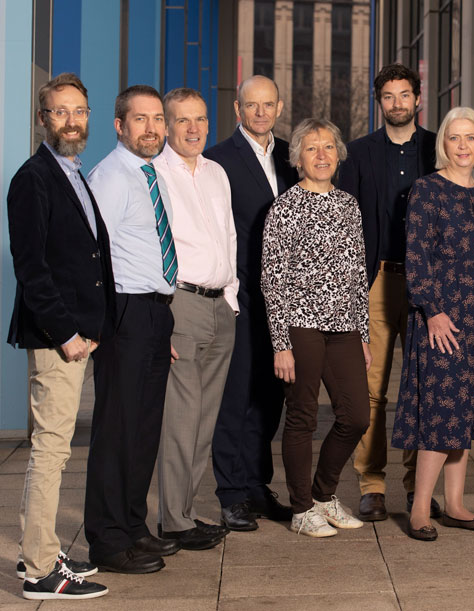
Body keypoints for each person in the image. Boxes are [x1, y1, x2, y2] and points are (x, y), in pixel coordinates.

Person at [392, 107, 474, 542]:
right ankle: (419, 510)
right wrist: (432, 310)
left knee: (464, 414)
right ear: (442, 145)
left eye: (471, 138)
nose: (463, 146)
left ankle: (456, 504)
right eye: (454, 138)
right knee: (441, 412)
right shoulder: (426, 191)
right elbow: (416, 258)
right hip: (443, 319)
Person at [7, 73, 110, 600]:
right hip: (56, 338)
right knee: (50, 450)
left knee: (58, 448)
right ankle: (39, 570)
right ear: (43, 119)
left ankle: (41, 547)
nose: (72, 120)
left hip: (78, 335)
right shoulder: (34, 178)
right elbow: (32, 267)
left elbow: (86, 258)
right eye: (60, 112)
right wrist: (68, 332)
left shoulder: (72, 173)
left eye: (79, 111)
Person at [338, 63, 440, 522]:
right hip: (376, 279)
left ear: (418, 99)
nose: (397, 104)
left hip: (427, 284)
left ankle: (420, 486)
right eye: (389, 97)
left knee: (422, 387)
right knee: (372, 389)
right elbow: (346, 222)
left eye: (405, 95)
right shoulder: (358, 154)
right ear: (379, 102)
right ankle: (371, 485)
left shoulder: (438, 147)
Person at [85, 85, 180, 573]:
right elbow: (92, 253)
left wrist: (160, 324)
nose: (152, 128)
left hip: (154, 313)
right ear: (120, 126)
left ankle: (132, 524)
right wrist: (104, 323)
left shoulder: (150, 174)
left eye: (158, 119)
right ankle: (105, 540)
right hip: (125, 312)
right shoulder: (110, 177)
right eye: (140, 119)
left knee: (144, 430)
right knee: (117, 430)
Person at [261, 118, 371, 537]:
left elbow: (357, 273)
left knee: (356, 416)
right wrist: (280, 343)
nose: (322, 155)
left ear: (338, 154)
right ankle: (301, 507)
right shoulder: (284, 208)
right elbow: (271, 277)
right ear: (298, 158)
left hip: (344, 325)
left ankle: (324, 495)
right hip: (300, 325)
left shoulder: (348, 204)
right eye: (312, 148)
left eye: (328, 146)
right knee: (302, 416)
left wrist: (363, 333)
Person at [204, 75, 299, 531]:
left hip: (285, 301)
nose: (260, 113)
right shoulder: (217, 160)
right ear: (237, 109)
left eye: (268, 105)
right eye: (251, 105)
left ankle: (258, 486)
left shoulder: (290, 157)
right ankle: (231, 492)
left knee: (269, 397)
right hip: (240, 297)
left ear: (279, 108)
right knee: (234, 397)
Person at [152, 87, 236, 551]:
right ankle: (174, 521)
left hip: (221, 305)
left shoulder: (217, 173)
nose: (193, 128)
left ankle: (184, 511)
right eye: (182, 120)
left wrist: (233, 298)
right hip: (181, 304)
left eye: (200, 119)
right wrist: (162, 312)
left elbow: (228, 235)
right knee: (181, 419)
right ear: (166, 125)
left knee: (204, 420)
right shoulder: (155, 174)